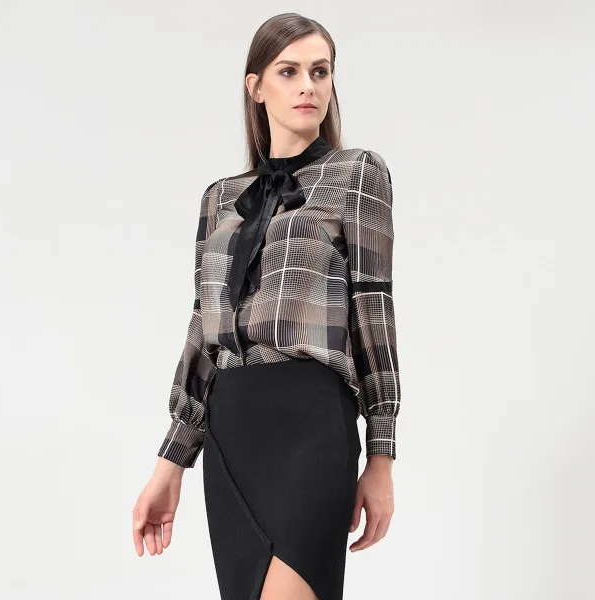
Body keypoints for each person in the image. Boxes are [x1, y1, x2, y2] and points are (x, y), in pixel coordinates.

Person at [132, 12, 401, 600]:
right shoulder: (220, 199)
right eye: (289, 71)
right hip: (232, 432)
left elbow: (374, 311)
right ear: (255, 87)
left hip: (312, 423)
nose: (308, 85)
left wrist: (381, 456)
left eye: (320, 71)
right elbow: (203, 329)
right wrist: (170, 464)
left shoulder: (357, 174)